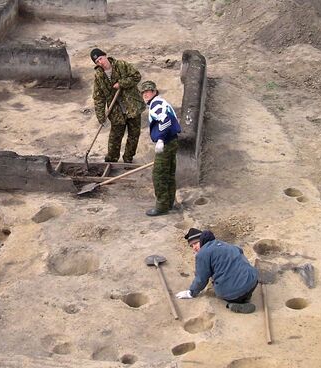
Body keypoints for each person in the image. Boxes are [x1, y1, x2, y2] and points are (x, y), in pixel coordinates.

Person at [176, 228, 259, 314]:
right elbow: (240, 251)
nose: (194, 248)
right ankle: (246, 296)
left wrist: (191, 292)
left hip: (234, 292)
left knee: (221, 290)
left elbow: (201, 279)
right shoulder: (223, 244)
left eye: (195, 243)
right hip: (253, 281)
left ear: (202, 240)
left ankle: (235, 304)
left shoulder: (202, 254)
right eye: (192, 246)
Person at [90, 48, 145, 163]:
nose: (101, 62)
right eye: (97, 62)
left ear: (105, 56)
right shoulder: (99, 76)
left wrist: (121, 83)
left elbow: (136, 76)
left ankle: (128, 158)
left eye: (101, 59)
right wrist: (101, 116)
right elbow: (98, 97)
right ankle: (111, 160)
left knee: (134, 135)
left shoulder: (121, 65)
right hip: (116, 111)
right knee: (115, 138)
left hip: (132, 106)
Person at [139, 80, 181, 216]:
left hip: (167, 143)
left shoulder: (156, 104)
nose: (145, 94)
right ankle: (170, 202)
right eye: (143, 92)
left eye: (148, 91)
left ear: (155, 92)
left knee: (159, 175)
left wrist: (161, 139)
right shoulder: (162, 102)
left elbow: (166, 120)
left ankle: (162, 206)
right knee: (169, 174)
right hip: (173, 140)